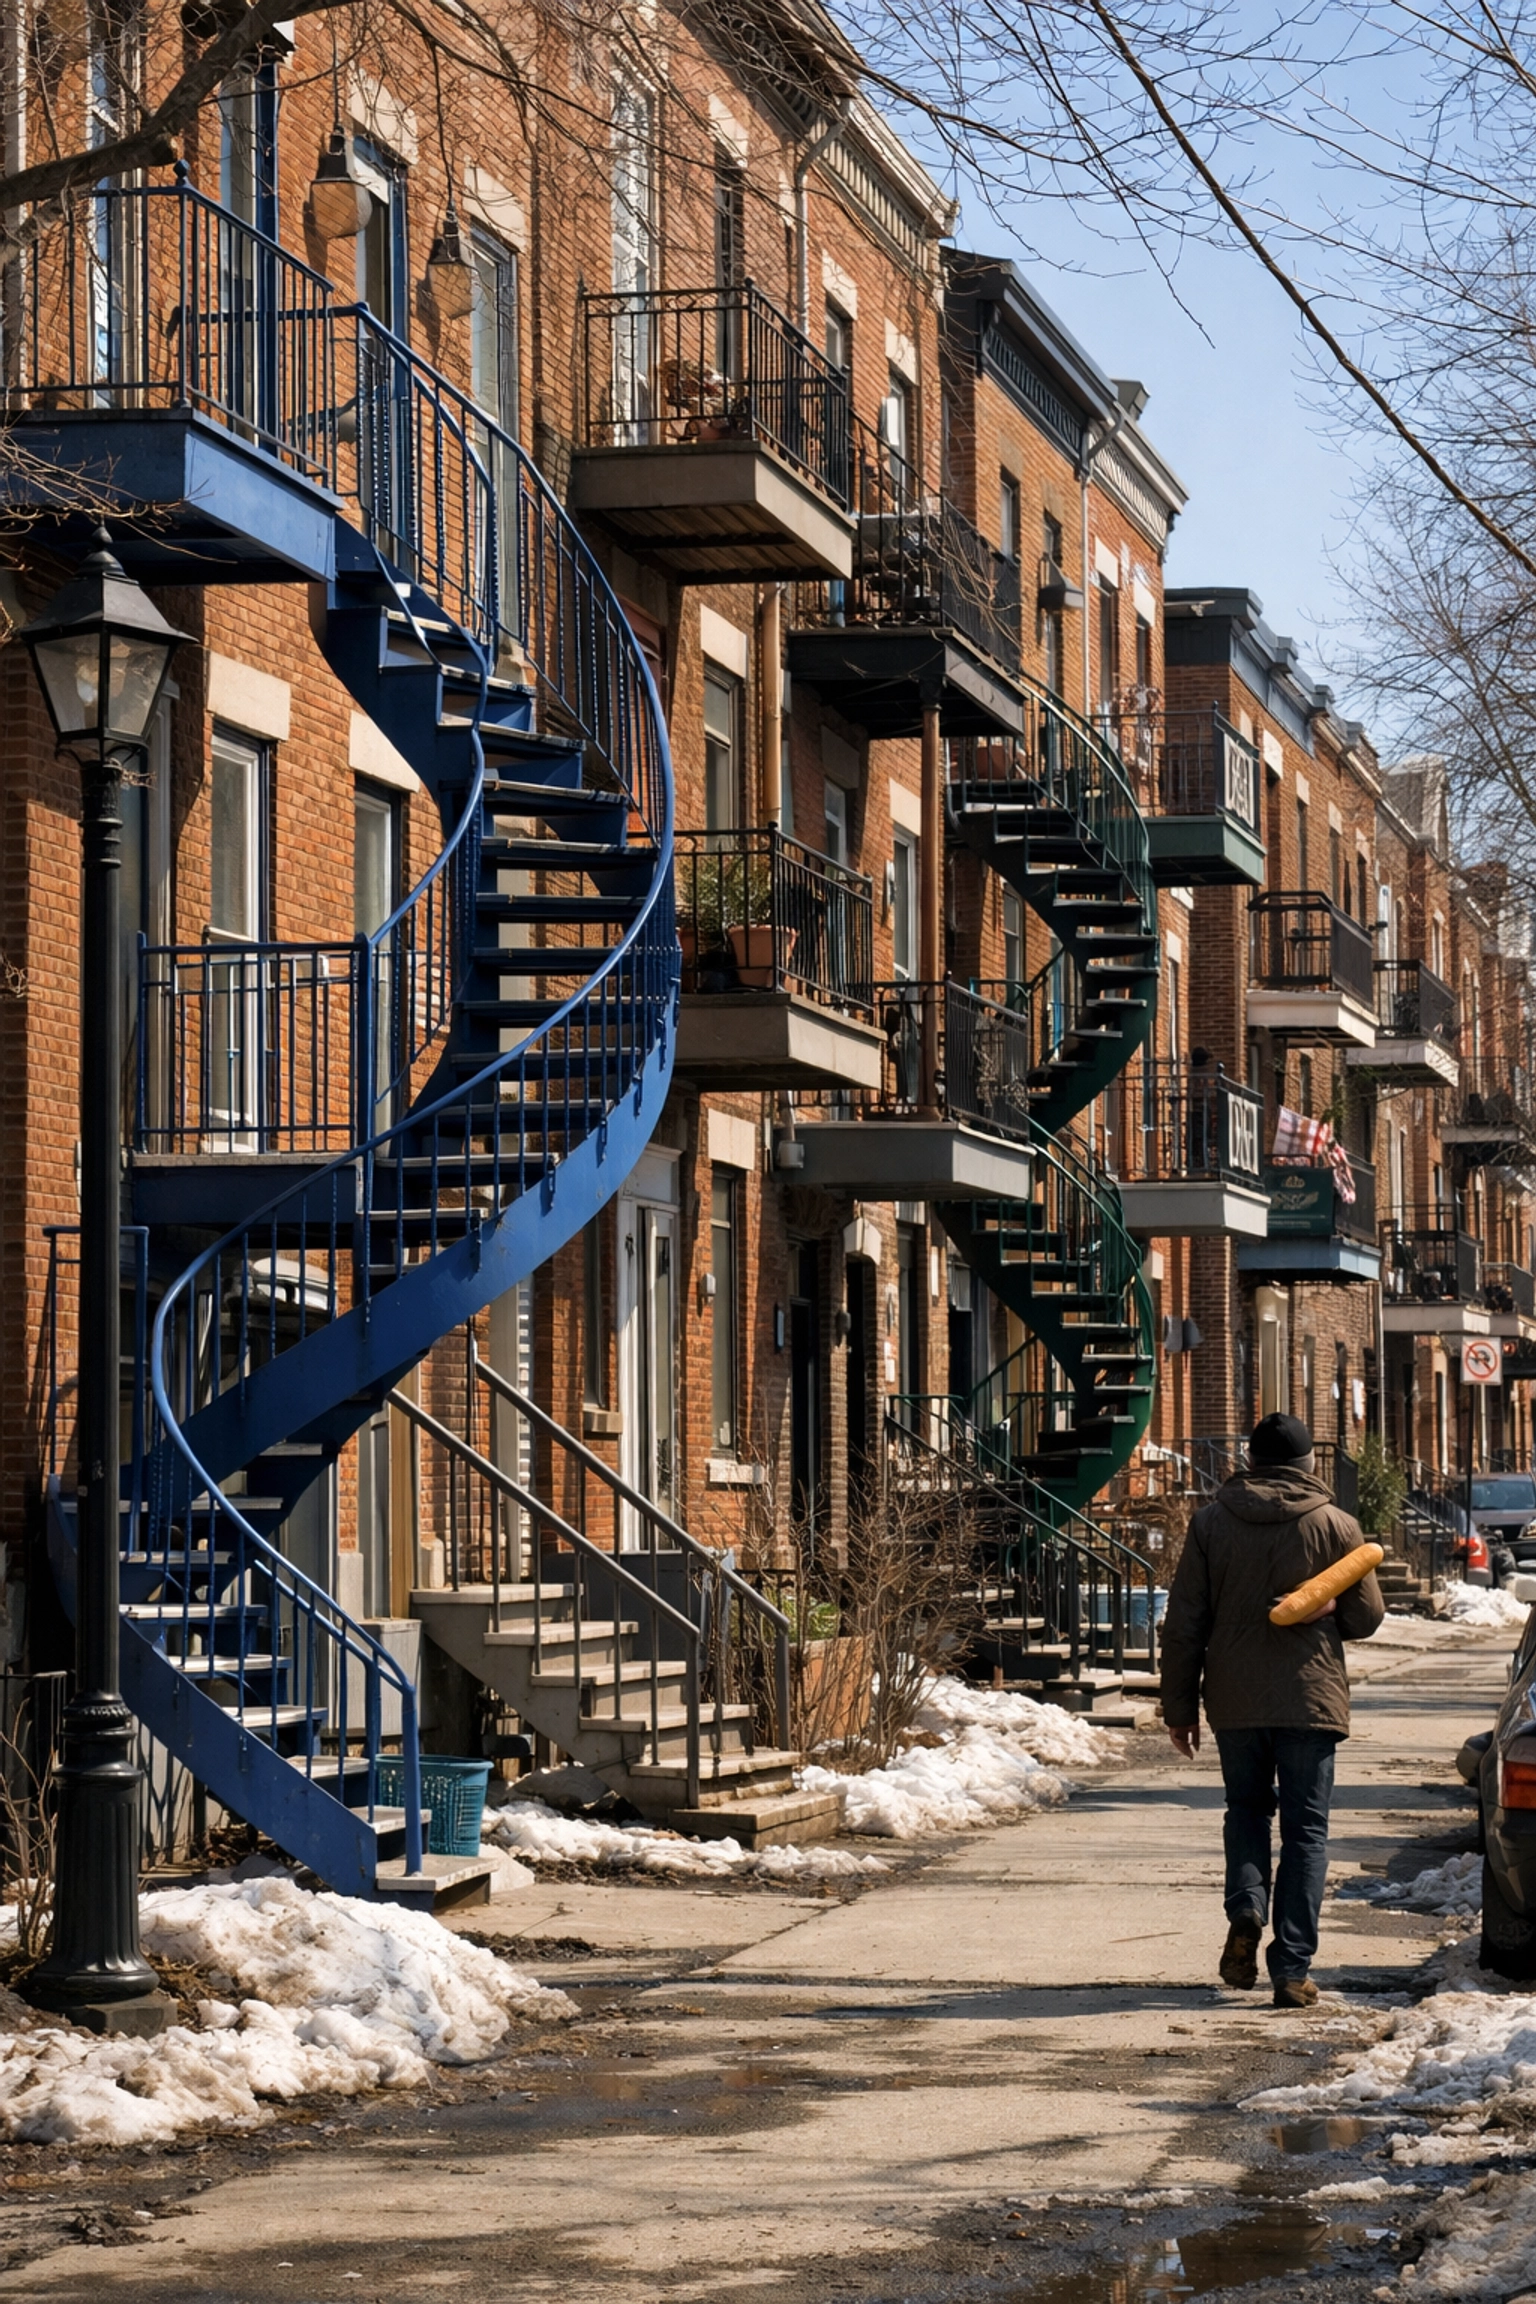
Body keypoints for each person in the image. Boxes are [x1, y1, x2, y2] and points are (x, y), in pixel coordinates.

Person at [1159, 1412, 1385, 2008]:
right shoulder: (1338, 1526)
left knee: (1248, 1810)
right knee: (1306, 1831)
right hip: (1310, 1700)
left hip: (1233, 1699)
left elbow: (1183, 1622)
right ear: (1311, 1465)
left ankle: (1247, 1908)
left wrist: (1178, 1707)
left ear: (1250, 1461)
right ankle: (1290, 1969)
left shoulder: (1210, 1523)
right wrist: (1329, 1605)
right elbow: (1365, 1618)